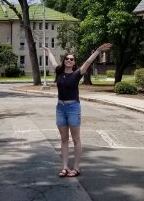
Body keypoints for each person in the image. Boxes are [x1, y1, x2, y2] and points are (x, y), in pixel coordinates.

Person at [44, 43, 111, 178]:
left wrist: (98, 50)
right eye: (67, 58)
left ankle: (76, 168)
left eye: (72, 59)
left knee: (76, 139)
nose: (69, 60)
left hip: (73, 107)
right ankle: (64, 167)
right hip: (60, 108)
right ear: (64, 61)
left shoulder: (77, 74)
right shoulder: (59, 72)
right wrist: (48, 51)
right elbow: (52, 61)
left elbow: (88, 61)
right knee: (64, 139)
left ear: (74, 63)